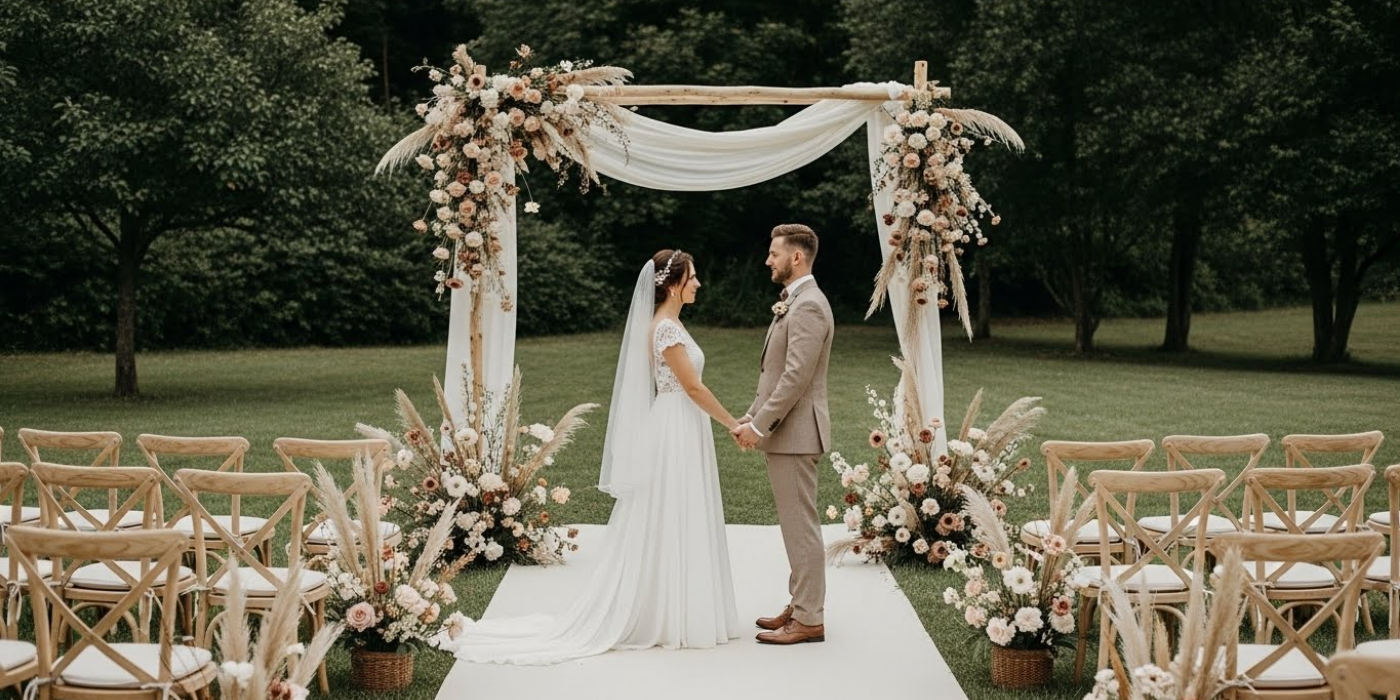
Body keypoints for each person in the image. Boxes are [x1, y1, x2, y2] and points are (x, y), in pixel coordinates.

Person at [445, 249, 741, 665]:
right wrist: (733, 424)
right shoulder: (666, 330)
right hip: (676, 425)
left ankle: (676, 606)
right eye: (692, 277)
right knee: (670, 509)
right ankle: (669, 611)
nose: (698, 284)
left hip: (680, 425)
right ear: (673, 284)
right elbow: (692, 388)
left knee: (677, 510)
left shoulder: (669, 324)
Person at [731, 224, 834, 645]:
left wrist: (759, 427)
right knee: (794, 525)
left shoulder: (809, 305)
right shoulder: (794, 302)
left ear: (797, 257)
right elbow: (773, 374)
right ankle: (800, 603)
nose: (768, 260)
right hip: (786, 431)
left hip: (796, 434)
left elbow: (795, 378)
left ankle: (809, 619)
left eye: (774, 253)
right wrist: (751, 415)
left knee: (801, 527)